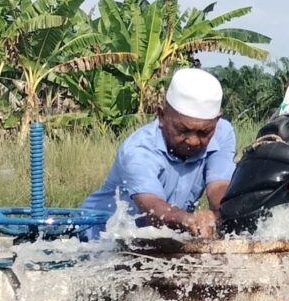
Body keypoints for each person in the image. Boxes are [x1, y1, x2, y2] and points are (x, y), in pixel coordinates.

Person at [81, 68, 234, 237]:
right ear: (161, 115)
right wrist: (190, 220)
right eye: (182, 130)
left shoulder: (222, 133)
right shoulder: (138, 150)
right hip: (101, 239)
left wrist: (221, 214)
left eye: (204, 133)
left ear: (217, 122)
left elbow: (219, 186)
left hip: (160, 238)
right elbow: (153, 210)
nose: (193, 141)